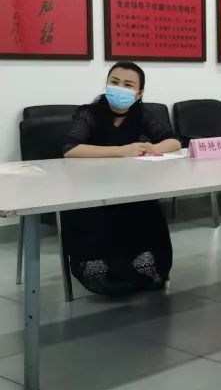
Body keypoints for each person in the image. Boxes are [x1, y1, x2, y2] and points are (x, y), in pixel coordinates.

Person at [62, 62, 180, 295]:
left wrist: (154, 148)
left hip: (131, 187)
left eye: (128, 85)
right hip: (92, 189)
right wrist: (122, 150)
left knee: (147, 213)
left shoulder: (141, 114)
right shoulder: (89, 113)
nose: (119, 88)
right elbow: (71, 149)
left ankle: (137, 272)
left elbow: (174, 141)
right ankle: (106, 274)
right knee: (100, 223)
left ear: (139, 93)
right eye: (114, 82)